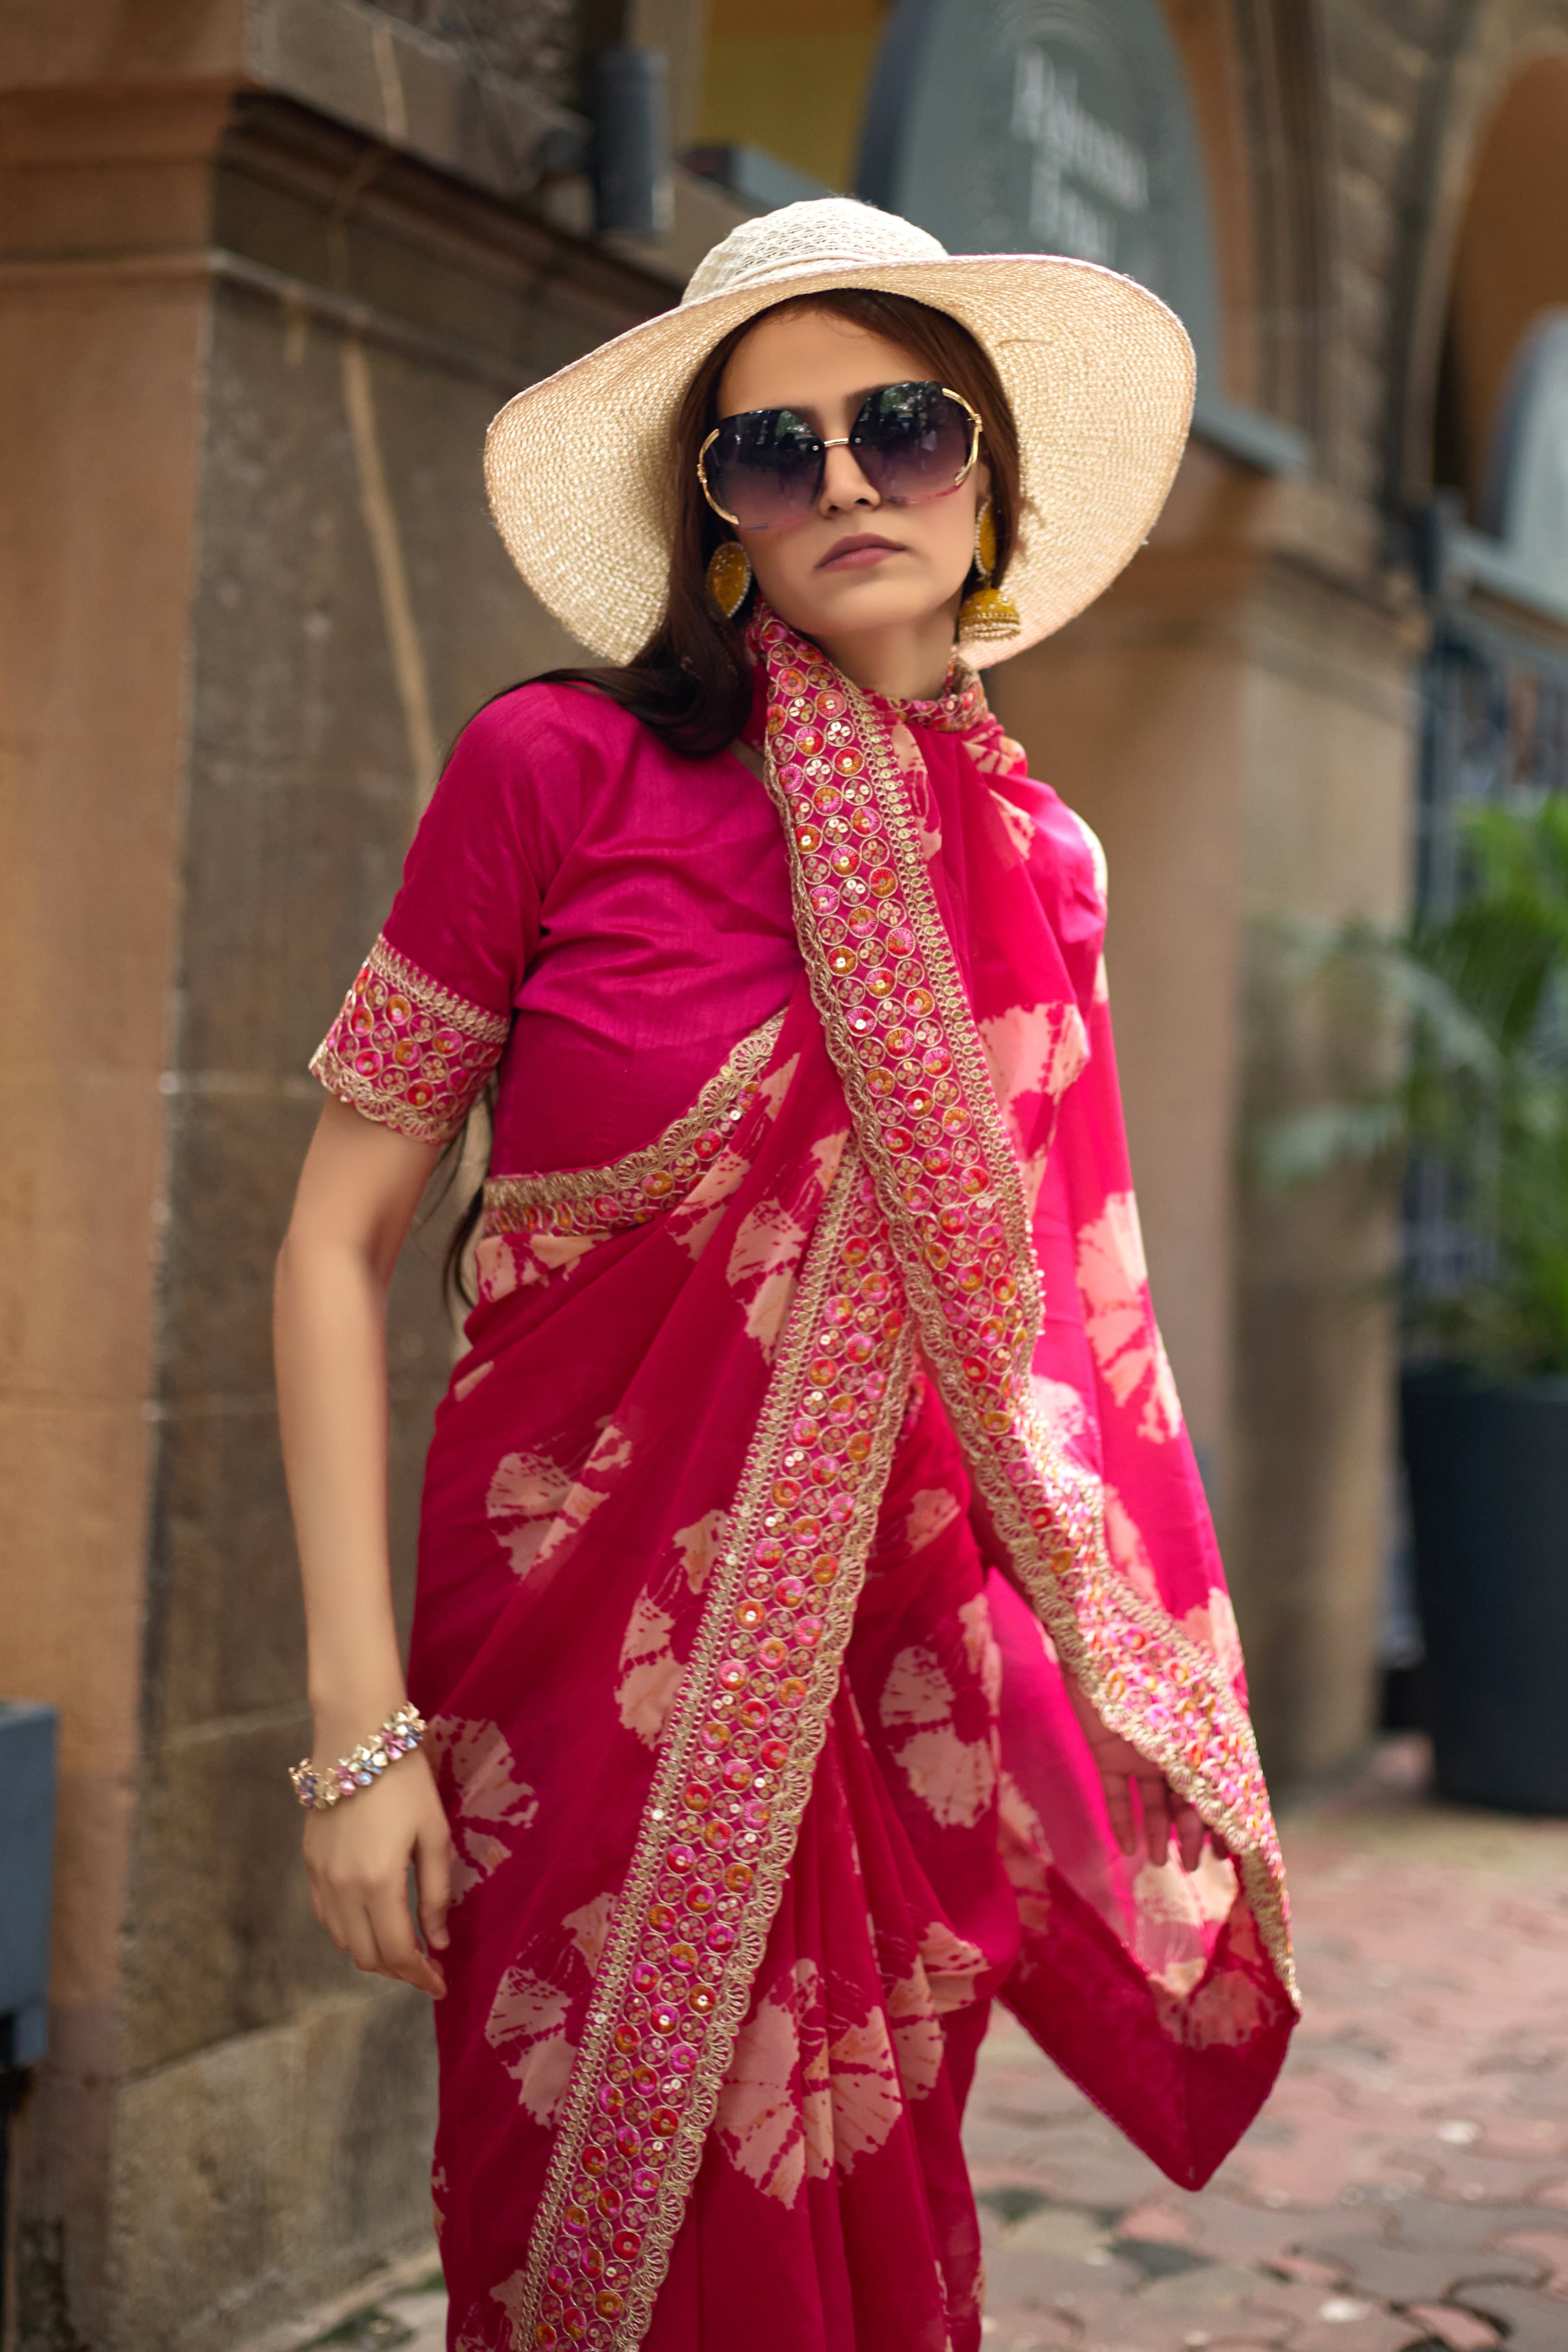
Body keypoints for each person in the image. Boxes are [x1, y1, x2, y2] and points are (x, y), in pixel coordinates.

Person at [274, 199, 1298, 2352]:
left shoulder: (1045, 873)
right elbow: (331, 1239)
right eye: (774, 449)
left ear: (991, 477)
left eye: (903, 426)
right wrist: (355, 1737)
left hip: (886, 1688)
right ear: (719, 516)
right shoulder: (555, 772)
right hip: (565, 1665)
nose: (844, 478)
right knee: (574, 2248)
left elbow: (1069, 1342)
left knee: (858, 2241)